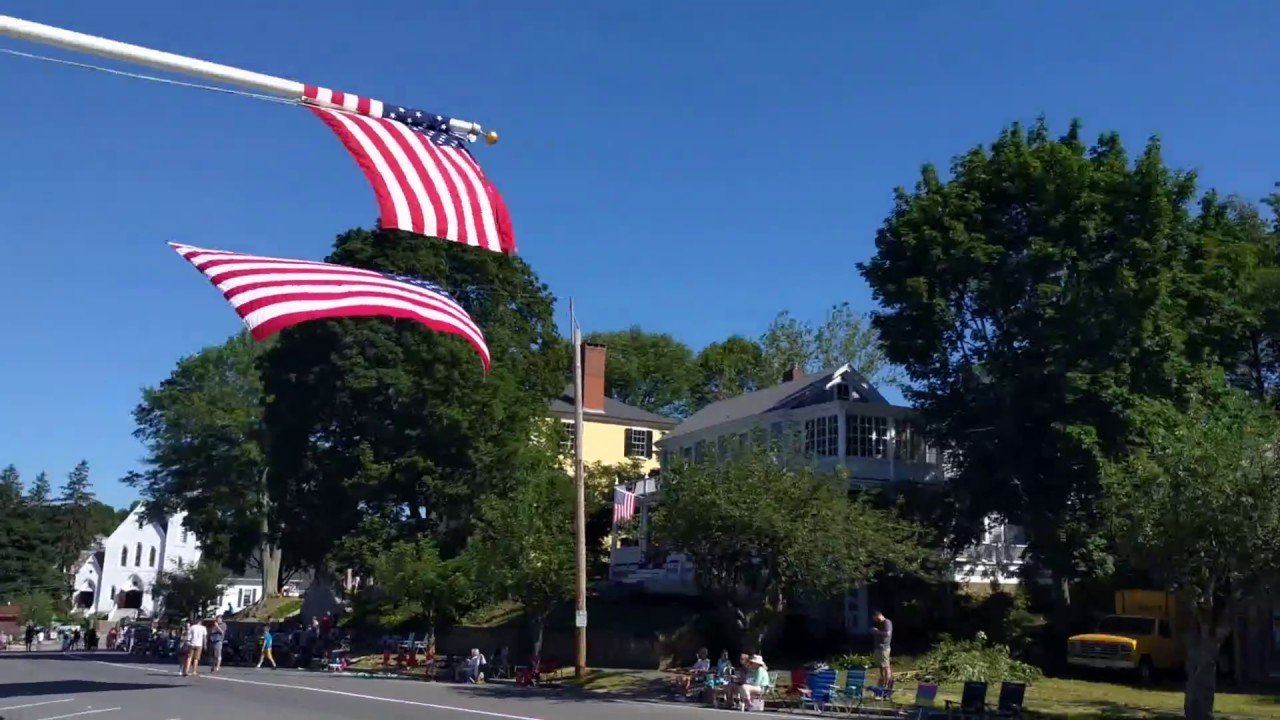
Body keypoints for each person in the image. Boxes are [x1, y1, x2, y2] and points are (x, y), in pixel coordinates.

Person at [871, 610, 894, 689]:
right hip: (878, 648)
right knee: (881, 666)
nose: (874, 620)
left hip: (884, 647)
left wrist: (877, 632)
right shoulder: (879, 623)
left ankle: (887, 684)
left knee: (886, 666)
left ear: (878, 616)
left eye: (874, 618)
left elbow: (888, 633)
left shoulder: (887, 622)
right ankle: (882, 682)